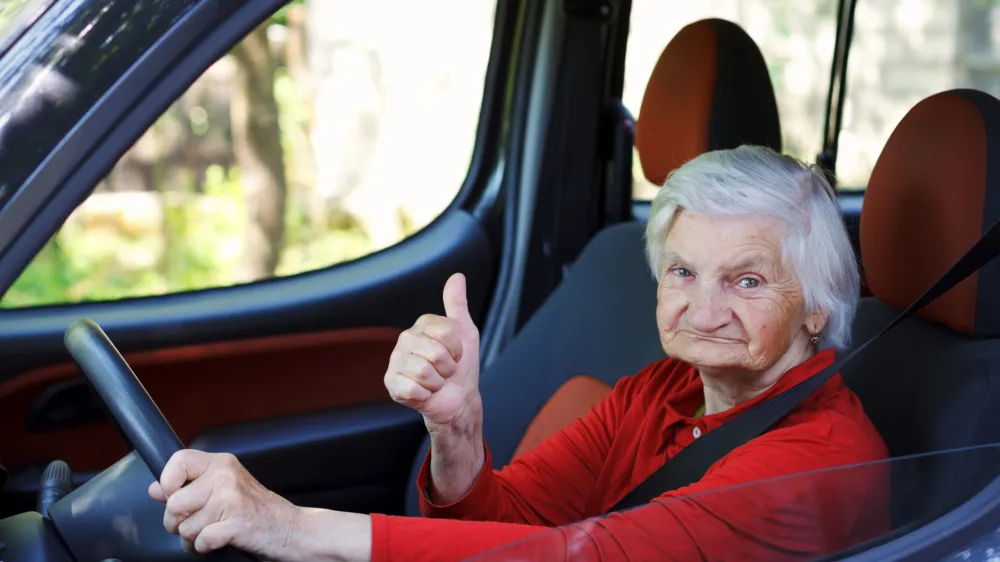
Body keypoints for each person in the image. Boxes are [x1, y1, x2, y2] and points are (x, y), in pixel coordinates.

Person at [148, 145, 889, 561]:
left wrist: (286, 524)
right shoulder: (660, 390)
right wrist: (457, 426)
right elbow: (503, 526)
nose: (702, 307)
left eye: (747, 280)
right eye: (683, 272)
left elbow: (580, 560)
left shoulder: (819, 460)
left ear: (818, 304)